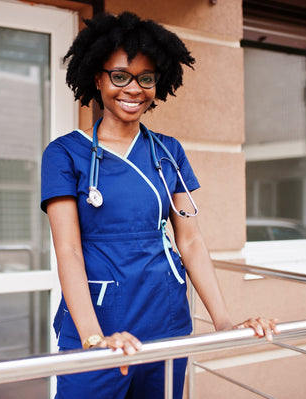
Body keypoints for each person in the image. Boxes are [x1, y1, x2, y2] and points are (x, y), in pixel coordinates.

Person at [40, 12, 278, 399]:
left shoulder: (169, 152)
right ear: (97, 78)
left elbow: (191, 241)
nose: (133, 89)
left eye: (145, 78)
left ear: (158, 83)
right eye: (119, 76)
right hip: (99, 321)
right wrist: (94, 338)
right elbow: (67, 249)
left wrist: (224, 322)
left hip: (166, 318)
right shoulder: (64, 154)